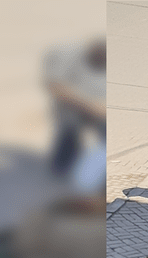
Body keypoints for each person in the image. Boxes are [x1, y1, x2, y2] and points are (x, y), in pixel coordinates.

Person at [43, 38, 106, 177]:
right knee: (68, 146)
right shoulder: (70, 58)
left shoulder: (100, 69)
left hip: (95, 113)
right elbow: (55, 86)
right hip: (72, 114)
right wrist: (89, 106)